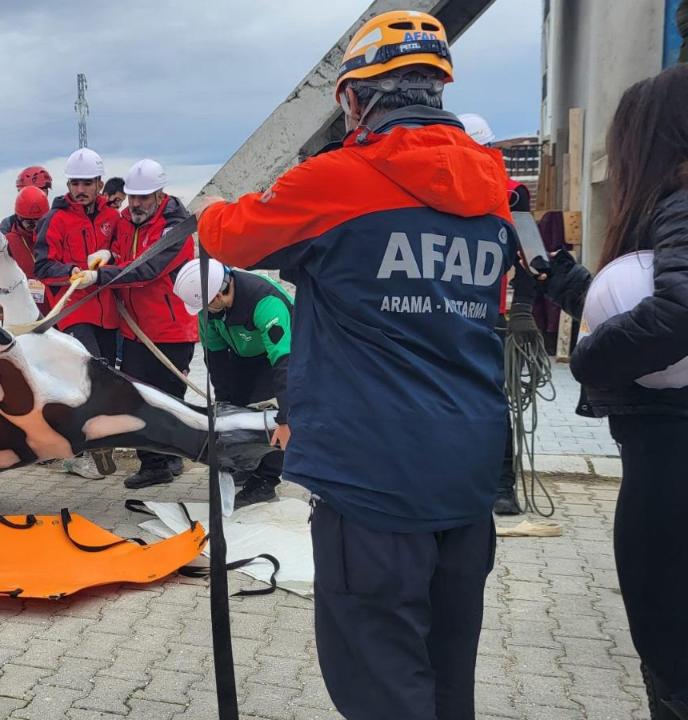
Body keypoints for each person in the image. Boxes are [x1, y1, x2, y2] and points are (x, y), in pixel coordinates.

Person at [195, 11, 513, 719]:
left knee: (378, 681)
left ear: (351, 99)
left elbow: (235, 238)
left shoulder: (340, 180)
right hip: (467, 471)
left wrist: (212, 207)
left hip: (373, 477)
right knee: (445, 671)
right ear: (438, 89)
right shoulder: (493, 193)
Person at [532, 65, 688, 720]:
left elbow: (676, 313)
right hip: (664, 462)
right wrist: (566, 282)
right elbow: (647, 296)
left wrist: (588, 359)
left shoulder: (680, 202)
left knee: (674, 668)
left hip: (671, 474)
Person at [75, 159, 196, 488]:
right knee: (137, 397)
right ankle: (156, 463)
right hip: (134, 330)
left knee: (169, 398)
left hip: (170, 329)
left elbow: (148, 269)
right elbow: (120, 249)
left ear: (160, 194)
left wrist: (99, 275)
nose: (137, 204)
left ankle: (170, 457)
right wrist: (108, 255)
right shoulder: (126, 219)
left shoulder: (177, 228)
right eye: (133, 197)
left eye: (144, 197)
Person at [460, 111, 533, 515]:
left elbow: (530, 256)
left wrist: (522, 307)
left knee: (493, 401)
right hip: (443, 310)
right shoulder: (438, 188)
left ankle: (503, 485)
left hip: (488, 314)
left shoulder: (511, 194)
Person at [172, 259, 291, 506]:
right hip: (244, 355)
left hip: (283, 356)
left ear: (218, 294)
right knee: (238, 408)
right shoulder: (210, 311)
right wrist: (225, 404)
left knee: (269, 414)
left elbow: (283, 364)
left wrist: (287, 418)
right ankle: (249, 463)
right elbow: (215, 360)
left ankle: (266, 481)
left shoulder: (265, 303)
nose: (203, 311)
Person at [34, 148, 121, 478]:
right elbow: (43, 264)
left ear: (100, 183)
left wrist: (110, 255)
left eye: (87, 183)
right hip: (74, 313)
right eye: (75, 183)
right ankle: (84, 448)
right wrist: (72, 271)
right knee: (88, 380)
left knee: (108, 377)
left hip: (109, 314)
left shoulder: (113, 218)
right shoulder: (54, 220)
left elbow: (124, 251)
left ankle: (102, 439)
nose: (80, 189)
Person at [0, 186, 51, 316]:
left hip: (54, 312)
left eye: (40, 222)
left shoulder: (55, 237)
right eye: (29, 224)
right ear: (18, 218)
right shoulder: (7, 243)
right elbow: (0, 278)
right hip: (21, 314)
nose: (35, 228)